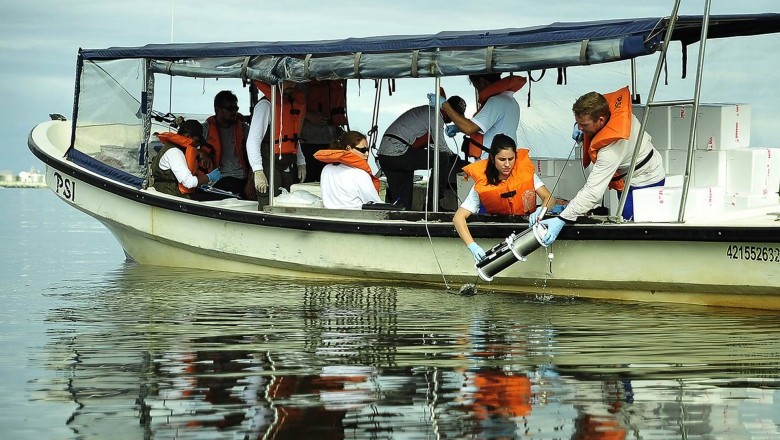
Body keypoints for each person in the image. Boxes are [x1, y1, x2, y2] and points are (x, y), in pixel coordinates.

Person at [536, 86, 666, 246]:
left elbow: (593, 192)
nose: (580, 128)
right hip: (628, 175)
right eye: (578, 124)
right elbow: (587, 117)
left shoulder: (611, 150)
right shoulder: (611, 113)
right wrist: (581, 129)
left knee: (633, 231)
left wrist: (562, 218)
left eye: (584, 125)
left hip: (646, 180)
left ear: (601, 120)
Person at [454, 134, 557, 262]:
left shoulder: (526, 174)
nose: (507, 164)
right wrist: (472, 246)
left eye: (511, 159)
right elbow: (458, 218)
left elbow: (549, 198)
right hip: (497, 231)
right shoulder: (482, 184)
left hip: (526, 230)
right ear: (492, 158)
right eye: (502, 159)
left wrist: (540, 211)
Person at [377, 95, 466, 210]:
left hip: (386, 155)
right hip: (398, 151)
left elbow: (429, 143)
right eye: (457, 114)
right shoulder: (435, 115)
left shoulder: (426, 112)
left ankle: (400, 217)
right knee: (443, 159)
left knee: (402, 204)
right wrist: (453, 156)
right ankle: (432, 204)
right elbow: (441, 146)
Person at [434, 73, 526, 160]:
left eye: (476, 87)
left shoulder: (496, 102)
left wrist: (444, 105)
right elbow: (487, 127)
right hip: (502, 160)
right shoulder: (510, 101)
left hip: (491, 162)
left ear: (482, 81)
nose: (478, 92)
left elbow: (470, 128)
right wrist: (459, 128)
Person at [247, 80, 308, 207]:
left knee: (289, 202)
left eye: (294, 81)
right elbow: (253, 140)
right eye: (288, 82)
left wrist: (301, 162)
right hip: (269, 163)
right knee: (269, 204)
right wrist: (258, 171)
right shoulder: (265, 105)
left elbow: (294, 137)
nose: (292, 85)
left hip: (288, 163)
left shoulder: (291, 104)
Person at [150, 119, 221, 199]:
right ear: (187, 135)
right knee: (216, 199)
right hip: (170, 196)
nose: (197, 145)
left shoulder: (175, 149)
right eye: (197, 141)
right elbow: (189, 182)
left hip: (173, 193)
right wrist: (210, 177)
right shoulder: (174, 152)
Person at [203, 90, 253, 199]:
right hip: (216, 179)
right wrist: (201, 152)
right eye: (230, 109)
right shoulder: (206, 129)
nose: (234, 112)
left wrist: (250, 182)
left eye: (236, 109)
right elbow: (190, 145)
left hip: (240, 178)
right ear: (218, 109)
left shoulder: (244, 129)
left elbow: (255, 157)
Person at [315, 130, 382, 209]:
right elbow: (375, 204)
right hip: (355, 218)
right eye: (363, 150)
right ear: (348, 148)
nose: (367, 154)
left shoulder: (326, 169)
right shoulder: (361, 175)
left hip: (331, 218)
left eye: (367, 150)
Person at [299, 80, 349, 183]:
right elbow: (291, 105)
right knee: (308, 180)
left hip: (329, 142)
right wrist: (309, 115)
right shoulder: (302, 82)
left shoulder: (332, 83)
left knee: (327, 180)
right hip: (307, 142)